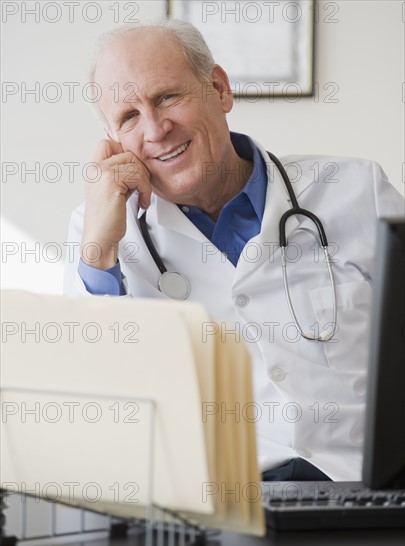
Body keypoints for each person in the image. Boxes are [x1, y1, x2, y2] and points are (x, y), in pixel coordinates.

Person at [64, 20, 404, 482]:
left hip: (369, 492)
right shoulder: (101, 235)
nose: (156, 128)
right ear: (112, 141)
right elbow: (90, 407)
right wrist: (100, 250)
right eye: (128, 117)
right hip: (221, 502)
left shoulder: (354, 190)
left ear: (220, 90)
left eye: (167, 97)